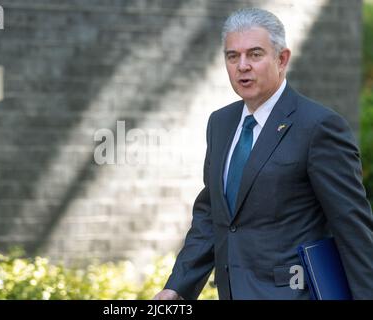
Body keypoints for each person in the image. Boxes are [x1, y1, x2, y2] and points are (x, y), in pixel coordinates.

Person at [153, 7, 373, 300]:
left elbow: (352, 227)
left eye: (255, 54)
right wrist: (177, 287)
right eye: (233, 56)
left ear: (282, 59)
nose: (242, 65)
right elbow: (212, 216)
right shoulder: (220, 123)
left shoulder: (319, 127)